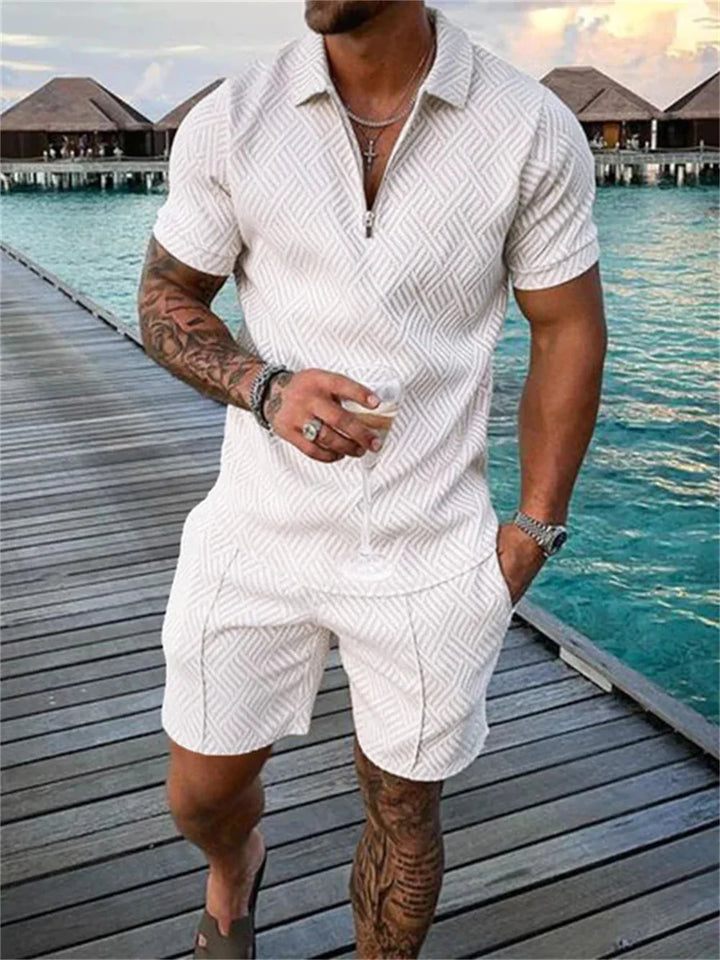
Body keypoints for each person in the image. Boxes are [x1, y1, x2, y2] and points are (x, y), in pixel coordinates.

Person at [137, 2, 606, 958]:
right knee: (202, 792)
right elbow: (164, 295)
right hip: (256, 531)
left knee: (403, 810)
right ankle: (235, 866)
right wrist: (264, 388)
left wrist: (535, 527)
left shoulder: (526, 126)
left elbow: (567, 326)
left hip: (429, 544)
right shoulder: (235, 117)